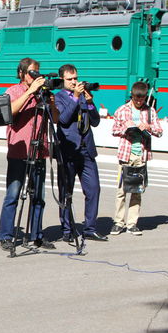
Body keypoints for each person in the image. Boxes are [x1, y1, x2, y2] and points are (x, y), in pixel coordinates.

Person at [0, 58, 55, 251]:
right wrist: (30, 92)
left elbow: (55, 118)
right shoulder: (12, 91)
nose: (35, 76)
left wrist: (51, 102)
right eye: (31, 72)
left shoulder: (42, 94)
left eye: (37, 72)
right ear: (22, 74)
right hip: (19, 150)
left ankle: (37, 234)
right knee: (13, 194)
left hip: (39, 150)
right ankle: (6, 236)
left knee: (38, 196)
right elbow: (9, 111)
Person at [54, 64, 107, 242]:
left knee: (93, 189)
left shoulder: (83, 96)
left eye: (76, 78)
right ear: (62, 80)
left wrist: (90, 102)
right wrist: (75, 97)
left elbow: (96, 121)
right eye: (70, 79)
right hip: (68, 149)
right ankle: (67, 230)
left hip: (86, 149)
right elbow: (63, 119)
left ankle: (90, 228)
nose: (74, 82)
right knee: (66, 191)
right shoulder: (58, 97)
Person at [110, 82, 163, 236]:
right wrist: (126, 129)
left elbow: (159, 131)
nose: (139, 101)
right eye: (136, 98)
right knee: (121, 190)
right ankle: (118, 222)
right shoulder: (122, 110)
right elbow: (114, 130)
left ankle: (132, 223)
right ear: (131, 96)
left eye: (142, 99)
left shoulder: (150, 111)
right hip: (125, 154)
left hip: (141, 154)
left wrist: (148, 127)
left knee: (137, 190)